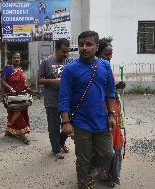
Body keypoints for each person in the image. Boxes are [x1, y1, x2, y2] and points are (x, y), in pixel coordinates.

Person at [59, 31, 116, 189]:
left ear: (96, 47)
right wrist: (65, 122)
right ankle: (83, 183)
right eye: (81, 44)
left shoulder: (104, 66)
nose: (84, 48)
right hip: (81, 121)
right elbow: (64, 97)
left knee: (107, 153)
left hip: (101, 120)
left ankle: (90, 171)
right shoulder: (70, 69)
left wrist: (111, 114)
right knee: (82, 157)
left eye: (89, 44)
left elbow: (111, 91)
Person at [96, 39, 126, 187]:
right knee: (105, 146)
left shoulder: (107, 68)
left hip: (113, 111)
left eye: (111, 54)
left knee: (115, 144)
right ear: (98, 53)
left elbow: (110, 89)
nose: (109, 57)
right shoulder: (94, 69)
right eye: (106, 54)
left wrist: (117, 86)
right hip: (102, 112)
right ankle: (102, 173)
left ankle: (112, 175)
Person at [38, 38, 71, 159]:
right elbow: (39, 80)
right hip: (51, 100)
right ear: (56, 49)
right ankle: (56, 149)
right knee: (54, 126)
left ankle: (61, 142)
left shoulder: (67, 62)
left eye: (67, 52)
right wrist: (53, 81)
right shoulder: (46, 62)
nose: (66, 54)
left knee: (69, 123)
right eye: (63, 51)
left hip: (66, 100)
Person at [1, 52, 31, 144]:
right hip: (12, 97)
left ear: (20, 59)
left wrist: (27, 88)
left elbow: (23, 82)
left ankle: (10, 131)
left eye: (18, 58)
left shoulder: (20, 70)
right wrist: (10, 88)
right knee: (16, 114)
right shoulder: (8, 69)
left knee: (21, 113)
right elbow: (2, 80)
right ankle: (22, 134)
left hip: (21, 96)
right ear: (12, 59)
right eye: (15, 58)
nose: (16, 59)